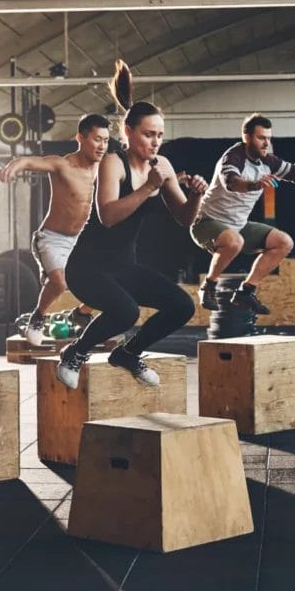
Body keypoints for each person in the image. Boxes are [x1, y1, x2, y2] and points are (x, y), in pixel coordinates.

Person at [55, 60, 209, 389]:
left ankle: (128, 353)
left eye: (160, 135)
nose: (155, 142)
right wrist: (149, 187)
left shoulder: (162, 165)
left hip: (123, 268)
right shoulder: (113, 162)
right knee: (126, 312)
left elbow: (185, 219)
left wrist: (196, 195)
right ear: (128, 132)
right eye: (148, 134)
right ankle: (74, 353)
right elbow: (108, 216)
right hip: (86, 269)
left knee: (182, 306)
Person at [192, 113, 295, 313]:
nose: (266, 143)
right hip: (206, 222)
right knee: (234, 241)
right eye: (261, 138)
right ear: (247, 137)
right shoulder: (233, 157)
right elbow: (231, 182)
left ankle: (246, 292)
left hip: (238, 225)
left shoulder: (268, 162)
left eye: (269, 138)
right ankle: (208, 286)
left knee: (284, 242)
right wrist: (255, 184)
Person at [0, 115, 109, 345]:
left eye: (106, 141)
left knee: (110, 280)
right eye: (97, 139)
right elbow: (31, 161)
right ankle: (37, 317)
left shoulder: (104, 167)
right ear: (81, 138)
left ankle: (81, 314)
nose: (102, 146)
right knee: (60, 283)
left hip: (80, 240)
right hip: (52, 238)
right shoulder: (63, 165)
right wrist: (14, 165)